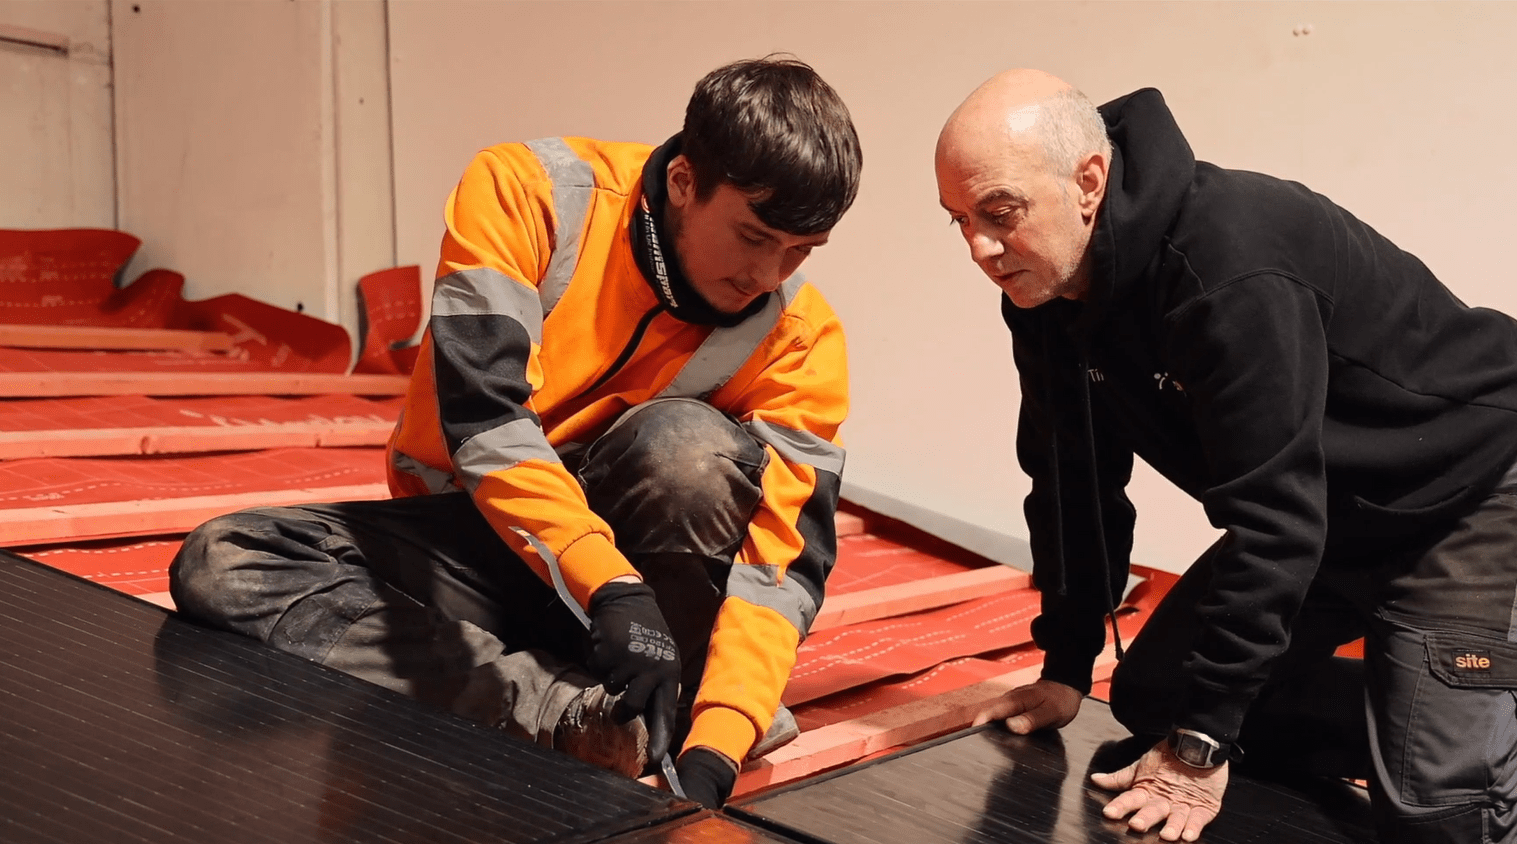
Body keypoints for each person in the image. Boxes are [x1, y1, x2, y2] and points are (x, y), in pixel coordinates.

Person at [170, 55, 861, 809]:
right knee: (228, 559)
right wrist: (609, 589)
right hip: (494, 544)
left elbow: (780, 569)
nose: (770, 273)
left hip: (645, 606)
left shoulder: (801, 336)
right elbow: (488, 423)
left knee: (685, 452)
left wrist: (720, 746)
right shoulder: (528, 194)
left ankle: (663, 705)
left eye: (800, 251)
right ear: (684, 181)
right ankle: (567, 713)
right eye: (754, 237)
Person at [935, 68, 1517, 843]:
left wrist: (1200, 751)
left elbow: (1273, 523)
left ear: (1087, 180)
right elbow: (1070, 481)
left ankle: (1451, 735)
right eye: (958, 219)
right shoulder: (1043, 292)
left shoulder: (1228, 263)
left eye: (999, 212)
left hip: (1467, 491)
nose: (979, 247)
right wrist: (1067, 668)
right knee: (1154, 702)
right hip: (1330, 513)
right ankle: (1437, 715)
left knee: (1437, 811)